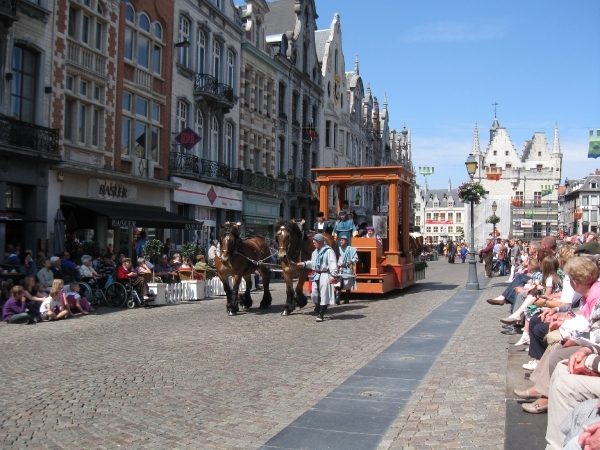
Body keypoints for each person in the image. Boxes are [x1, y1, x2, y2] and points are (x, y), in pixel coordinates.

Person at [297, 233, 339, 322]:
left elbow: (332, 263)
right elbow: (312, 263)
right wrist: (304, 264)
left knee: (324, 294)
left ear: (320, 241)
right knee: (314, 294)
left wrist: (332, 276)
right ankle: (319, 305)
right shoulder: (315, 252)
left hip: (325, 274)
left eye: (314, 241)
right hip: (316, 274)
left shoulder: (329, 251)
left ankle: (321, 314)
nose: (313, 243)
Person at [335, 235, 358, 305]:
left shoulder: (351, 249)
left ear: (346, 241)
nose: (341, 241)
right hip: (339, 268)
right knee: (338, 283)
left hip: (348, 267)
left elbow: (356, 258)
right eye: (340, 240)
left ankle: (347, 299)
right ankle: (337, 298)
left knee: (347, 284)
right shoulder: (337, 249)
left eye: (343, 240)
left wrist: (351, 261)